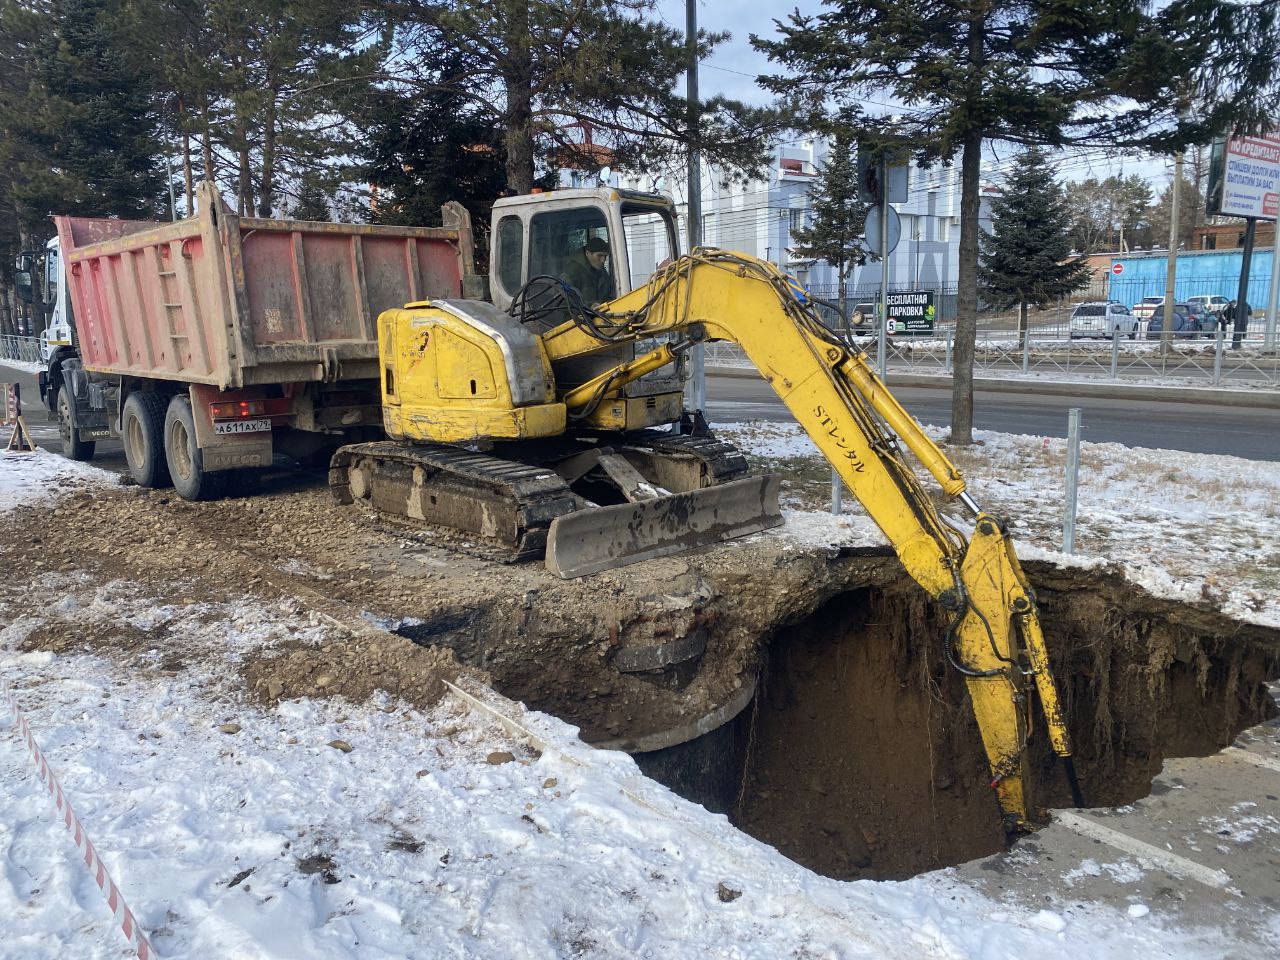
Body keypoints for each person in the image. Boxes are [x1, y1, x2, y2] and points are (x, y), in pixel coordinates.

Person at [562, 236, 616, 305]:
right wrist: (589, 306)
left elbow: (610, 294)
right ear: (588, 253)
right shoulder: (572, 271)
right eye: (599, 255)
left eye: (605, 256)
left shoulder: (602, 272)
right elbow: (565, 298)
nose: (603, 260)